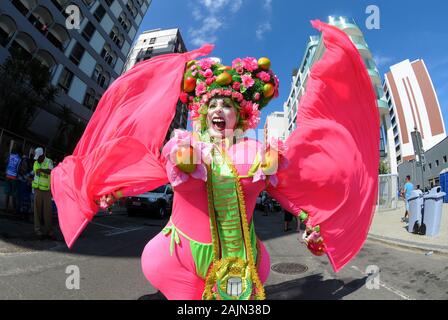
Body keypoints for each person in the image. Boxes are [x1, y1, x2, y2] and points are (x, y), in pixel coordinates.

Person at [51, 21, 380, 300]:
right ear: (202, 113)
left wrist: (314, 228)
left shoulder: (260, 152)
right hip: (178, 259)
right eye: (213, 105)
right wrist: (113, 189)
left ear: (242, 116)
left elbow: (296, 198)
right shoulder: (184, 143)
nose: (219, 110)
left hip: (244, 264)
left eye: (228, 106)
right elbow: (146, 169)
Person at [32, 147, 54, 240]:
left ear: (43, 155)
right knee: (37, 211)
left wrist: (41, 170)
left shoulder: (49, 161)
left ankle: (49, 231)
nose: (37, 159)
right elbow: (34, 174)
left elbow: (51, 171)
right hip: (37, 189)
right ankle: (38, 230)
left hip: (46, 191)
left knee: (47, 211)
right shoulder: (36, 162)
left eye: (39, 157)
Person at [4, 145, 22, 213]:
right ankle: (13, 209)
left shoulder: (10, 156)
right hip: (14, 177)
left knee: (7, 193)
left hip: (8, 175)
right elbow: (18, 168)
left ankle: (6, 208)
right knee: (14, 193)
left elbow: (6, 162)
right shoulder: (19, 159)